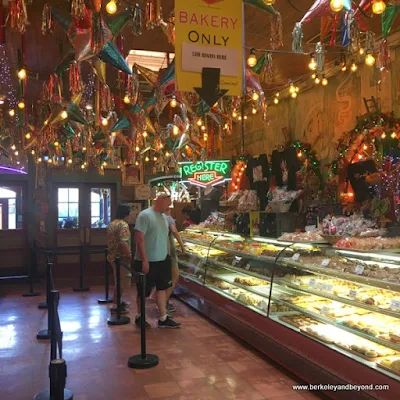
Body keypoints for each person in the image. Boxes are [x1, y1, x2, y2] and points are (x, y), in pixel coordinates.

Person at [134, 194, 181, 328]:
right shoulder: (145, 216)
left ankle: (163, 318)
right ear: (159, 201)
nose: (169, 207)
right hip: (147, 261)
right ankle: (140, 316)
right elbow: (139, 239)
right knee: (143, 291)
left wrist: (167, 254)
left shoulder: (164, 218)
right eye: (168, 204)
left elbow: (165, 237)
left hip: (162, 260)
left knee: (162, 288)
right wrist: (144, 260)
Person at [107, 204, 135, 314]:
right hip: (121, 257)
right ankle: (115, 304)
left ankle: (118, 301)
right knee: (122, 281)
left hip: (112, 255)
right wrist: (129, 255)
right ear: (126, 213)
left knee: (118, 280)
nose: (132, 215)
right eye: (131, 212)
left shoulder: (113, 223)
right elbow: (123, 241)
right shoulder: (123, 225)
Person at [164, 209, 185, 312]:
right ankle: (164, 303)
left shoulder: (158, 218)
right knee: (174, 278)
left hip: (162, 252)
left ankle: (163, 302)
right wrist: (182, 246)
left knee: (165, 279)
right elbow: (174, 231)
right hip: (171, 252)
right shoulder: (168, 218)